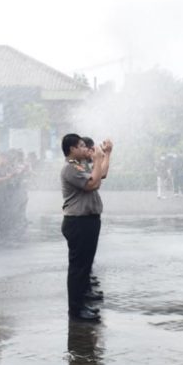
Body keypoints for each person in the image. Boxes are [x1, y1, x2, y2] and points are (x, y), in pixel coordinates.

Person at [60, 133, 112, 323]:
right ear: (72, 149)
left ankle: (82, 303)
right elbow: (92, 184)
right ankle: (76, 309)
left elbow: (101, 174)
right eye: (81, 146)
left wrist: (106, 155)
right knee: (78, 268)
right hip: (78, 222)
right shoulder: (70, 168)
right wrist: (97, 159)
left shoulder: (80, 165)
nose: (86, 149)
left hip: (87, 220)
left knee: (85, 266)